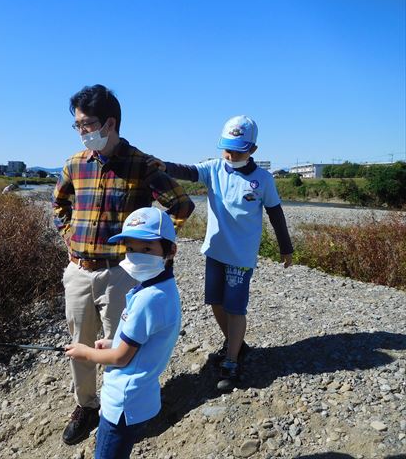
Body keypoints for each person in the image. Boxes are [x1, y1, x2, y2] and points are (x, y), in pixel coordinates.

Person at [53, 84, 193, 445]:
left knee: (122, 347)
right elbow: (59, 206)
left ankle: (124, 413)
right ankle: (86, 406)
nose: (83, 132)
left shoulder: (142, 165)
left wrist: (157, 247)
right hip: (79, 269)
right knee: (80, 343)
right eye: (78, 126)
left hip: (121, 273)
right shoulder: (73, 165)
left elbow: (181, 205)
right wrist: (70, 236)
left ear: (110, 122)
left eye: (87, 124)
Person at [149, 115, 293, 391]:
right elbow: (189, 170)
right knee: (216, 302)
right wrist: (163, 165)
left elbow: (275, 213)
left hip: (241, 257)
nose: (230, 155)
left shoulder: (263, 179)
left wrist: (285, 248)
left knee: (235, 308)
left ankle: (231, 361)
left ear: (252, 150)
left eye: (237, 150)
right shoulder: (215, 168)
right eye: (226, 148)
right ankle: (236, 344)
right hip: (214, 251)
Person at [65, 207, 181, 459]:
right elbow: (143, 339)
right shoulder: (163, 288)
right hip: (141, 396)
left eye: (147, 249)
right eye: (131, 249)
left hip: (122, 402)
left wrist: (85, 352)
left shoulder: (148, 299)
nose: (137, 256)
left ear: (171, 250)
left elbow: (121, 358)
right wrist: (113, 341)